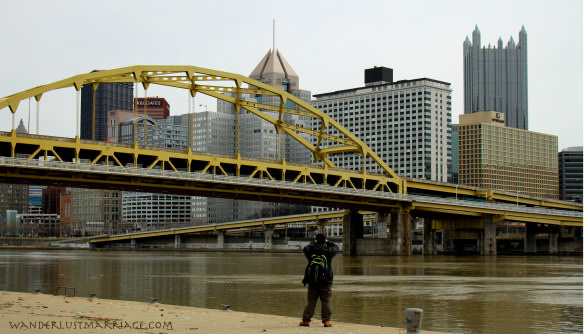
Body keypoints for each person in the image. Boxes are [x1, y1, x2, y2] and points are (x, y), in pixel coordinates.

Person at [299, 233, 339, 327]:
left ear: (316, 241)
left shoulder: (311, 250)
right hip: (326, 281)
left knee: (311, 301)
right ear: (325, 240)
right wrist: (328, 242)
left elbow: (306, 248)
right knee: (326, 301)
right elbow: (336, 247)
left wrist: (314, 243)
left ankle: (306, 320)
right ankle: (326, 321)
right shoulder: (328, 251)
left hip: (313, 280)